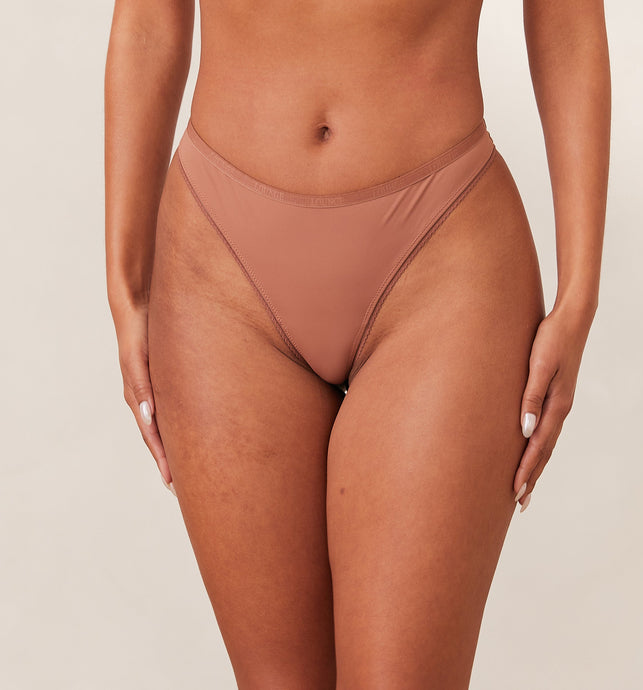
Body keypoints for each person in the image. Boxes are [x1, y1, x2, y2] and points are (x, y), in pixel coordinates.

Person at [104, 0, 610, 687]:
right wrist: (124, 282)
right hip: (220, 266)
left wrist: (580, 295)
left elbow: (567, 20)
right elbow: (147, 20)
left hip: (441, 250)